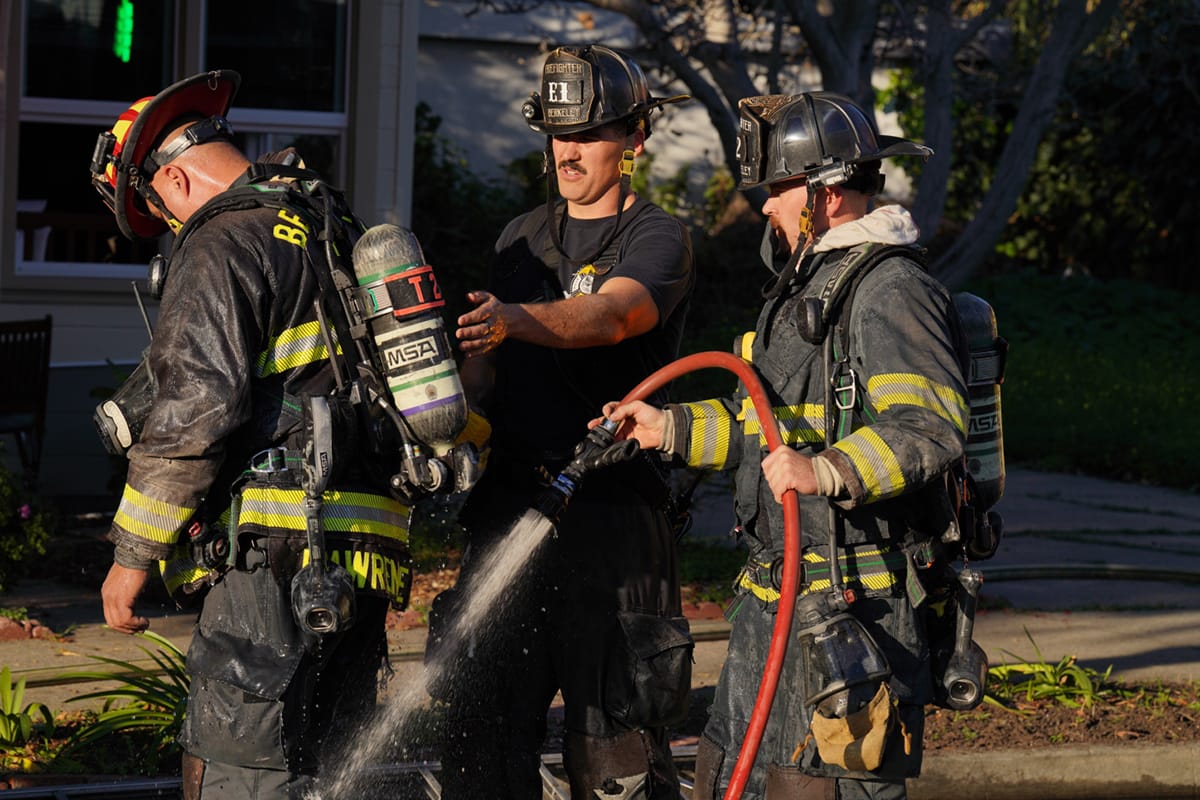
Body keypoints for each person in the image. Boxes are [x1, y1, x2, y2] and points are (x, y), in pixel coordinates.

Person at [605, 92, 965, 800]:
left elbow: (930, 427)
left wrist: (826, 470)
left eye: (779, 188)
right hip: (775, 599)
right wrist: (667, 428)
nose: (766, 206)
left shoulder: (891, 288)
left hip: (855, 607)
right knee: (727, 777)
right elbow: (764, 429)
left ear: (826, 193)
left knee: (826, 788)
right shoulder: (802, 287)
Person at [90, 70, 421, 798]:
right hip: (366, 554)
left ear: (174, 180)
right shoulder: (334, 227)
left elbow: (193, 409)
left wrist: (132, 555)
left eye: (163, 217)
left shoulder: (220, 241)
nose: (172, 233)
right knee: (329, 773)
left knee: (241, 771)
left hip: (274, 555)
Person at [431, 44, 696, 799]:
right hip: (511, 509)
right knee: (479, 739)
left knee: (614, 757)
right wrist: (439, 392)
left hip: (612, 523)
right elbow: (486, 379)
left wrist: (515, 318)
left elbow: (614, 316)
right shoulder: (518, 238)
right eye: (557, 134)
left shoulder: (659, 237)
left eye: (587, 134)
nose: (567, 152)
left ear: (635, 137)